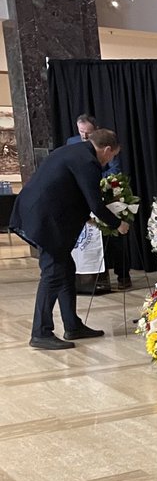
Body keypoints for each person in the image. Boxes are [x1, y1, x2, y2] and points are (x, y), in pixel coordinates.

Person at [13, 128, 130, 350]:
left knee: (66, 268)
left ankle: (72, 325)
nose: (110, 160)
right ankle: (40, 332)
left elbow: (69, 190)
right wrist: (118, 224)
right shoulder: (88, 162)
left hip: (39, 214)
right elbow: (94, 203)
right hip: (44, 221)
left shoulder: (73, 151)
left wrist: (89, 217)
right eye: (113, 156)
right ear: (106, 149)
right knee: (53, 273)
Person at [67, 113, 131, 289]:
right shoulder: (71, 143)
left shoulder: (106, 143)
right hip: (79, 196)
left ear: (96, 131)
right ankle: (90, 279)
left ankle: (123, 275)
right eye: (81, 132)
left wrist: (92, 179)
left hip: (105, 191)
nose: (85, 137)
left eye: (88, 133)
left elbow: (115, 170)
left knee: (115, 234)